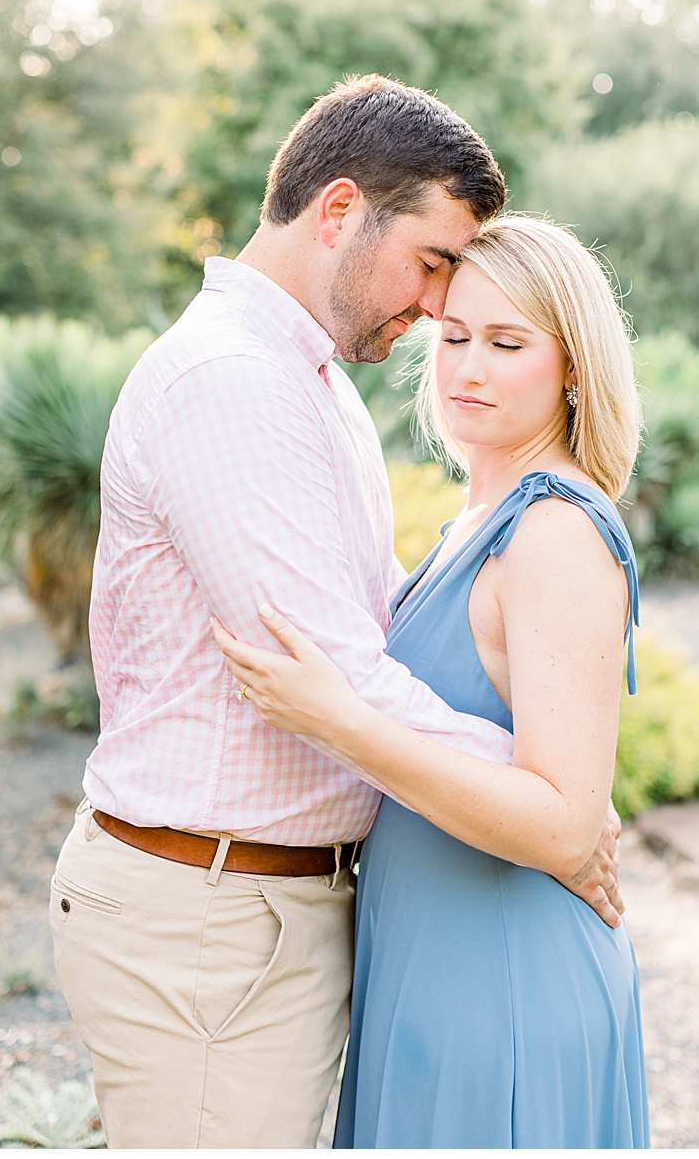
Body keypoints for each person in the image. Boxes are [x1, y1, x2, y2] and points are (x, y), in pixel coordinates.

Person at [49, 76, 623, 1148]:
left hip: (260, 915)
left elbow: (376, 643)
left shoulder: (306, 384)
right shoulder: (233, 382)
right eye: (433, 266)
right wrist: (554, 810)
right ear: (342, 210)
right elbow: (332, 676)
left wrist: (557, 802)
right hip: (210, 922)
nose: (436, 309)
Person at [216, 215, 649, 1145]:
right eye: (454, 337)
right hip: (426, 975)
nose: (469, 369)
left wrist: (340, 723)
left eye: (507, 343)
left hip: (502, 992)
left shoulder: (557, 534)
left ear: (573, 367)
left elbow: (568, 820)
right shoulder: (472, 524)